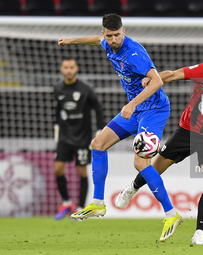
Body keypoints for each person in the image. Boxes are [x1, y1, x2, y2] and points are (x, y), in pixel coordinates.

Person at [115, 38, 203, 244]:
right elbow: (173, 74)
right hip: (187, 131)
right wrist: (154, 79)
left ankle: (199, 233)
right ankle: (132, 188)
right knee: (155, 168)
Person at [58, 13, 181, 241]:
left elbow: (158, 81)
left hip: (153, 110)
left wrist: (132, 103)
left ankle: (171, 213)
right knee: (98, 144)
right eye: (110, 35)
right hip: (134, 111)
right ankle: (97, 203)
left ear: (123, 31)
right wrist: (71, 41)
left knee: (140, 162)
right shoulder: (106, 41)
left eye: (118, 34)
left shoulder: (134, 53)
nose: (114, 40)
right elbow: (96, 39)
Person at [53, 57, 104, 220]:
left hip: (83, 137)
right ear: (62, 69)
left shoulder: (86, 89)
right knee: (57, 169)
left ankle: (82, 207)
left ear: (76, 69)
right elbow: (56, 112)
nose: (68, 70)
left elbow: (98, 109)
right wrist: (56, 129)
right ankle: (67, 203)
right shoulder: (57, 89)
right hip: (65, 137)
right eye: (65, 67)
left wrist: (100, 130)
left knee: (81, 171)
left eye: (71, 67)